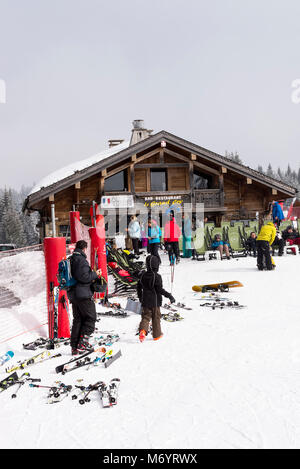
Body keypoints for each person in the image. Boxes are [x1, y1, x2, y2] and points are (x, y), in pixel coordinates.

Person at [67, 240, 102, 355]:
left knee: (78, 320)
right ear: (84, 248)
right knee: (91, 318)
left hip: (74, 295)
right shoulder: (81, 260)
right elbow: (84, 277)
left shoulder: (71, 259)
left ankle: (74, 346)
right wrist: (96, 274)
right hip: (83, 294)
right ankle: (83, 342)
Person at [137, 255, 175, 342]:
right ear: (156, 265)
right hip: (155, 301)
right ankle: (157, 335)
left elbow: (138, 287)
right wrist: (169, 295)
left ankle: (143, 331)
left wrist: (140, 297)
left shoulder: (142, 276)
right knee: (156, 317)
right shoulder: (157, 276)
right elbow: (159, 289)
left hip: (145, 301)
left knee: (145, 317)